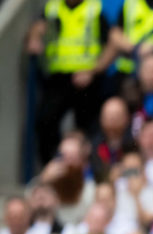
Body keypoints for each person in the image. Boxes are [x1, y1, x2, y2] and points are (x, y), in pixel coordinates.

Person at [25, 0, 118, 164]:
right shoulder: (52, 7)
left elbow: (111, 44)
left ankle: (89, 170)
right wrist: (34, 38)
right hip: (58, 79)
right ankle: (53, 166)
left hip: (88, 79)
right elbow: (37, 26)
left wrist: (93, 71)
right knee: (45, 122)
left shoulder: (94, 9)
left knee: (89, 129)